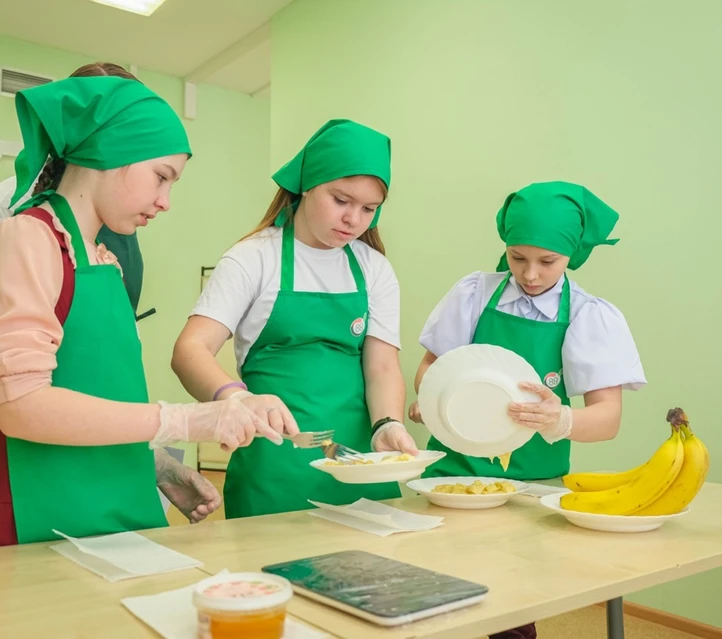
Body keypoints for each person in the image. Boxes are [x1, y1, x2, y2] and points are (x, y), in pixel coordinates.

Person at [0, 75, 297, 548]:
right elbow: (22, 407)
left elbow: (94, 390)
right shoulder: (27, 238)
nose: (165, 202)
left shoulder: (104, 261)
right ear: (111, 149)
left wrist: (154, 463)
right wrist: (188, 420)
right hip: (43, 514)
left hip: (116, 508)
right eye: (161, 176)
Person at [408, 181, 646, 639]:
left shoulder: (588, 316)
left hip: (529, 487)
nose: (530, 274)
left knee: (509, 607)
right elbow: (430, 368)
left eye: (547, 261)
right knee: (435, 599)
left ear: (572, 254)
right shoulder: (474, 294)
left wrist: (561, 419)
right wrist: (434, 399)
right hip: (451, 478)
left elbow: (607, 419)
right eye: (517, 257)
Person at [172, 119, 419, 519]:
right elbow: (190, 350)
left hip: (359, 468)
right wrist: (238, 400)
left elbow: (383, 367)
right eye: (341, 200)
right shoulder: (254, 258)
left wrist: (386, 424)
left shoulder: (374, 268)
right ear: (307, 184)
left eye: (369, 209)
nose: (354, 219)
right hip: (273, 471)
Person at [0, 62, 148, 500]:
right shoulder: (12, 207)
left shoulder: (120, 220)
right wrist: (41, 403)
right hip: (23, 453)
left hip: (103, 448)